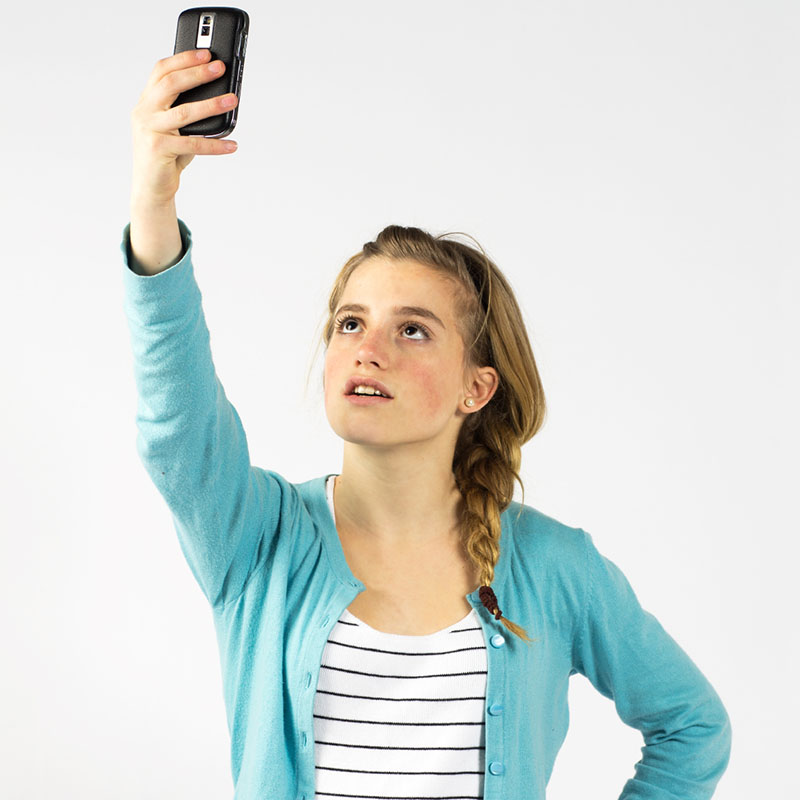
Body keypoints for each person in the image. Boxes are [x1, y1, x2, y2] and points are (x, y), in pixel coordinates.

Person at [121, 49, 732, 800]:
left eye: (412, 330)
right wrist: (154, 204)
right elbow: (176, 424)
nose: (367, 350)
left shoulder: (554, 565)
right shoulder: (258, 536)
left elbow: (693, 726)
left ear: (476, 389)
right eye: (350, 323)